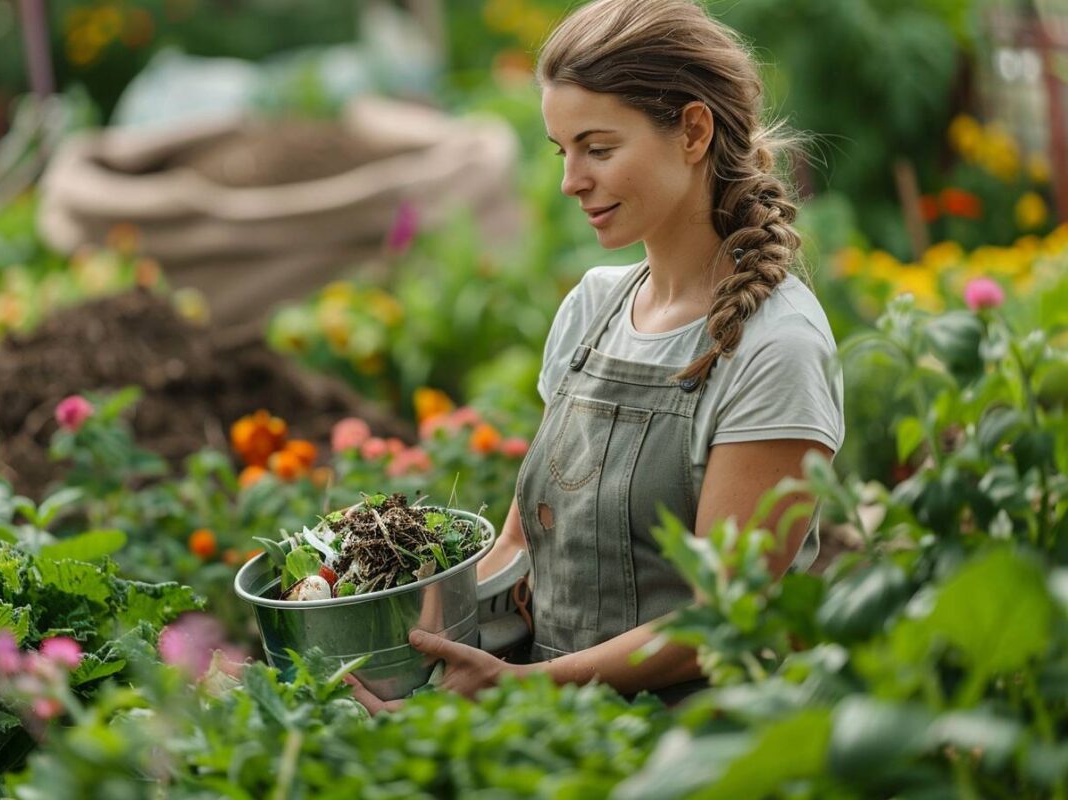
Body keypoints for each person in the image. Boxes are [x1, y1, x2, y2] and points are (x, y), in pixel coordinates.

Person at [347, 0, 844, 712]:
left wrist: (517, 690)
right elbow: (522, 551)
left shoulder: (777, 345)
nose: (569, 181)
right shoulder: (593, 307)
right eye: (562, 151)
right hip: (555, 721)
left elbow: (724, 621)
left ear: (694, 131)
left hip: (697, 743)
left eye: (598, 149)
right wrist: (422, 639)